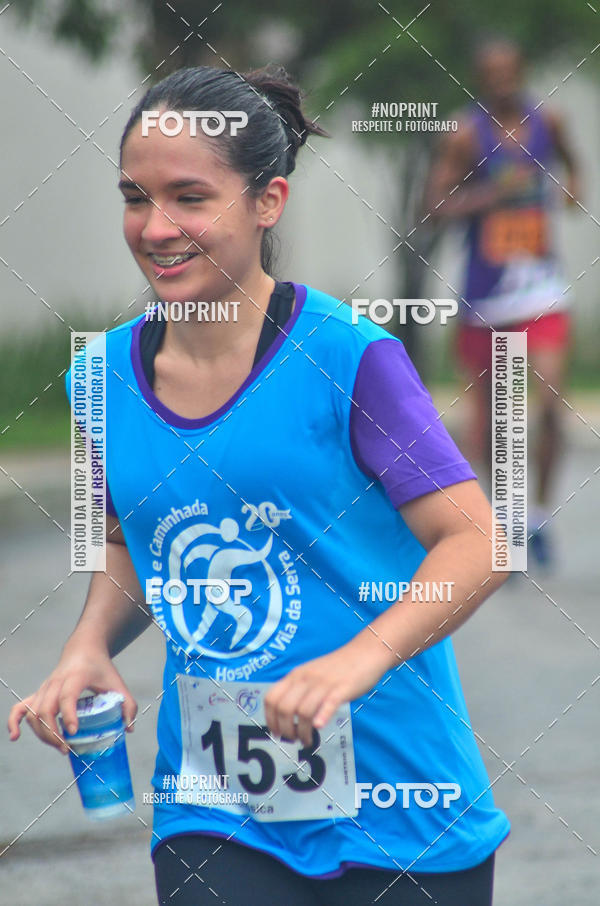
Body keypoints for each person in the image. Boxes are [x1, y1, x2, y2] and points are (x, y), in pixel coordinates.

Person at [8, 64, 510, 905]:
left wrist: (355, 662)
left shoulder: (349, 356)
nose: (156, 226)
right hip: (214, 811)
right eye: (135, 196)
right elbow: (139, 539)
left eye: (190, 198)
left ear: (267, 201)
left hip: (403, 813)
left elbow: (477, 542)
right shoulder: (99, 377)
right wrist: (88, 644)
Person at [424, 37, 581, 566]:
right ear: (478, 79)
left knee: (551, 403)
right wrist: (492, 195)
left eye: (508, 72)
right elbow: (436, 204)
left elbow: (572, 163)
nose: (501, 82)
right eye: (490, 74)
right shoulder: (465, 133)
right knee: (494, 420)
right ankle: (505, 520)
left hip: (541, 288)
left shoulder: (549, 120)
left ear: (521, 70)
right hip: (486, 296)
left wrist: (572, 188)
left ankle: (539, 516)